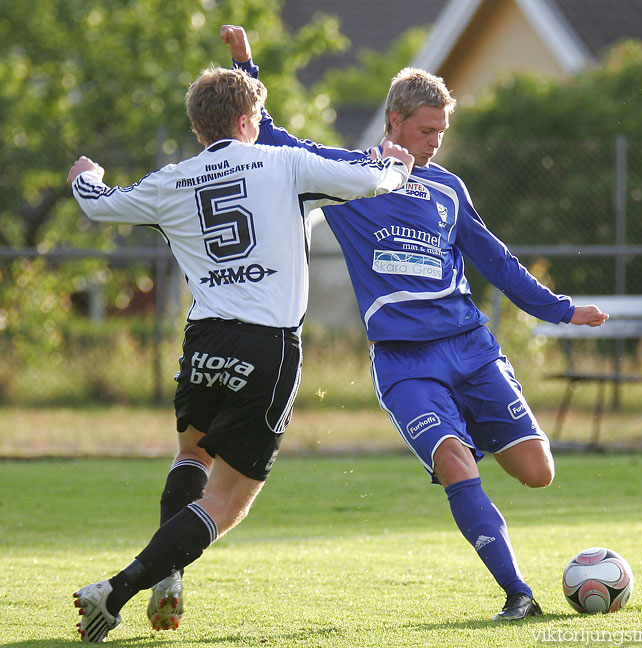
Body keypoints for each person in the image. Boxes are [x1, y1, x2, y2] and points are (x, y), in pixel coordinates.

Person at [221, 25, 609, 621]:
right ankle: (518, 594)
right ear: (394, 122)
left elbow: (495, 261)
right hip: (405, 362)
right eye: (426, 131)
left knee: (538, 472)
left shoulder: (448, 188)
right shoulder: (349, 177)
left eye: (441, 133)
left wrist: (560, 310)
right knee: (454, 461)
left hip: (470, 347)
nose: (434, 143)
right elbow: (271, 138)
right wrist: (246, 63)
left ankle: (467, 439)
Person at [68, 65, 413, 642]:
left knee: (192, 458)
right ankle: (116, 590)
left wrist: (87, 174)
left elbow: (102, 204)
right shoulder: (284, 163)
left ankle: (168, 575)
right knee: (228, 502)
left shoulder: (174, 179)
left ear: (199, 128)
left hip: (204, 339)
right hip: (268, 344)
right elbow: (370, 180)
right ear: (249, 120)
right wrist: (396, 163)